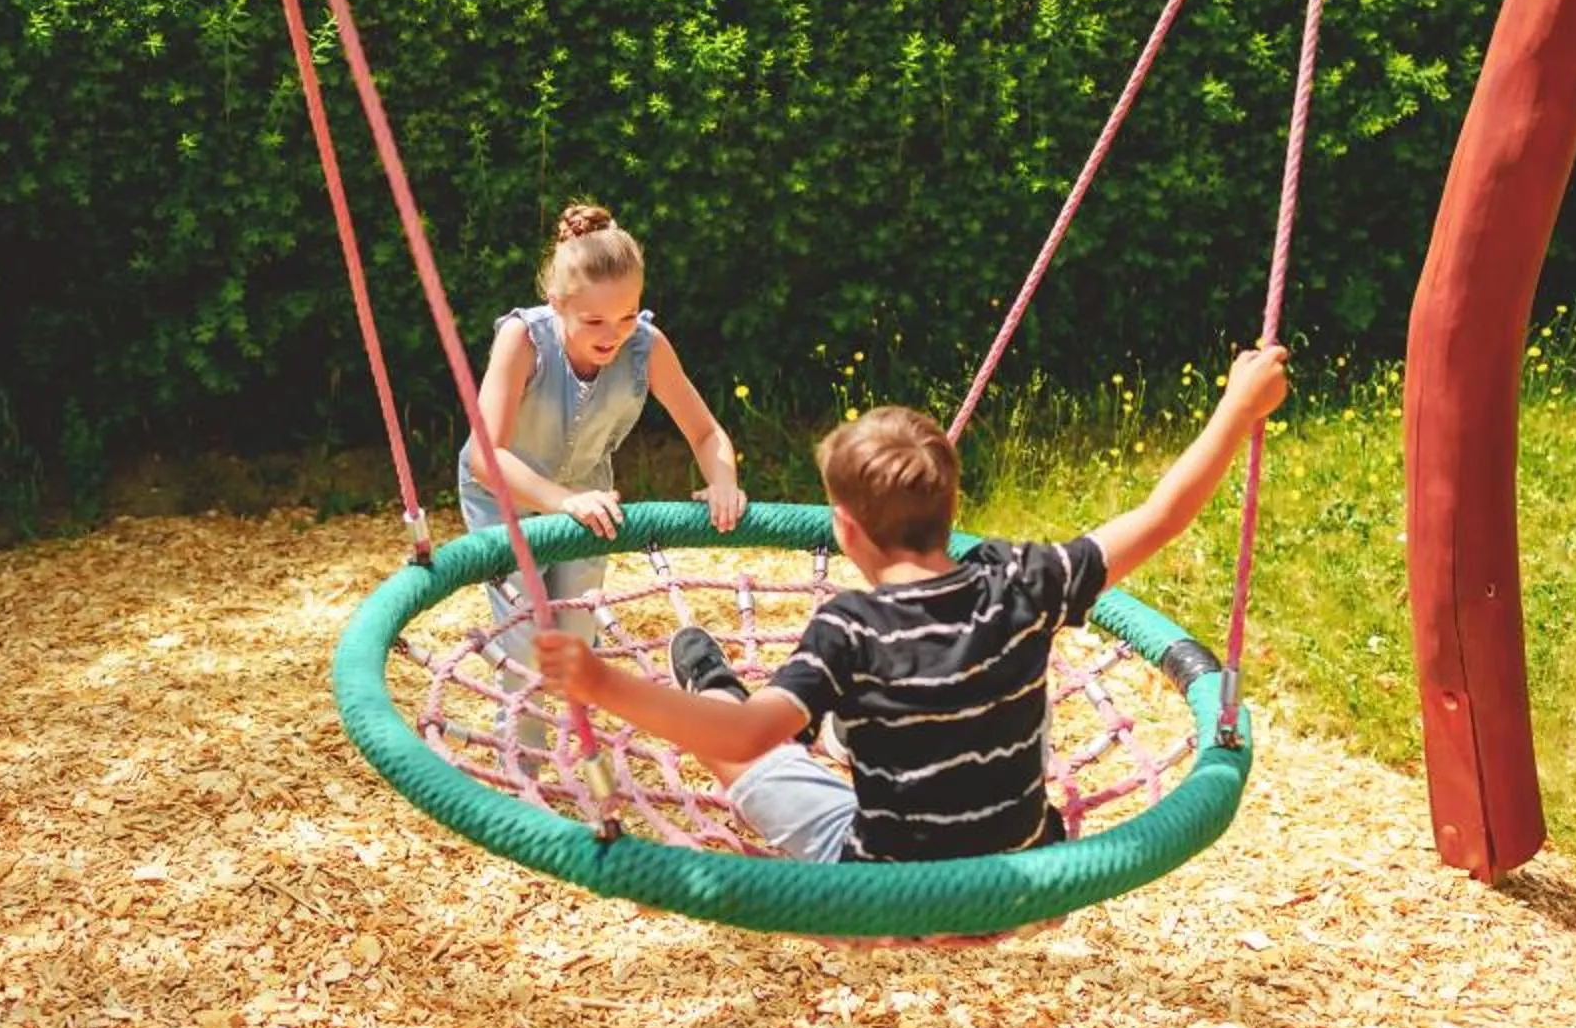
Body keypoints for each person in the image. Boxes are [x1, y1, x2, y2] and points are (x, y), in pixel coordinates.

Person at [532, 346, 1289, 862]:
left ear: (846, 529)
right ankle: (843, 733)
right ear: (952, 505)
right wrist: (1236, 409)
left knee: (748, 751)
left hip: (884, 883)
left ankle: (717, 681)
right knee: (991, 673)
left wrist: (602, 685)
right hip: (1021, 865)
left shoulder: (849, 630)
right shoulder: (1021, 581)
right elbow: (1160, 516)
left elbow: (742, 735)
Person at [461, 203, 745, 733]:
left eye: (627, 315)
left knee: (574, 637)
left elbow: (706, 433)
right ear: (556, 304)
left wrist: (723, 479)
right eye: (593, 320)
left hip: (588, 497)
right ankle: (524, 769)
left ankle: (578, 755)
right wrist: (563, 500)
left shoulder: (646, 346)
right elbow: (484, 456)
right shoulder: (524, 340)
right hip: (506, 500)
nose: (612, 333)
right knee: (530, 643)